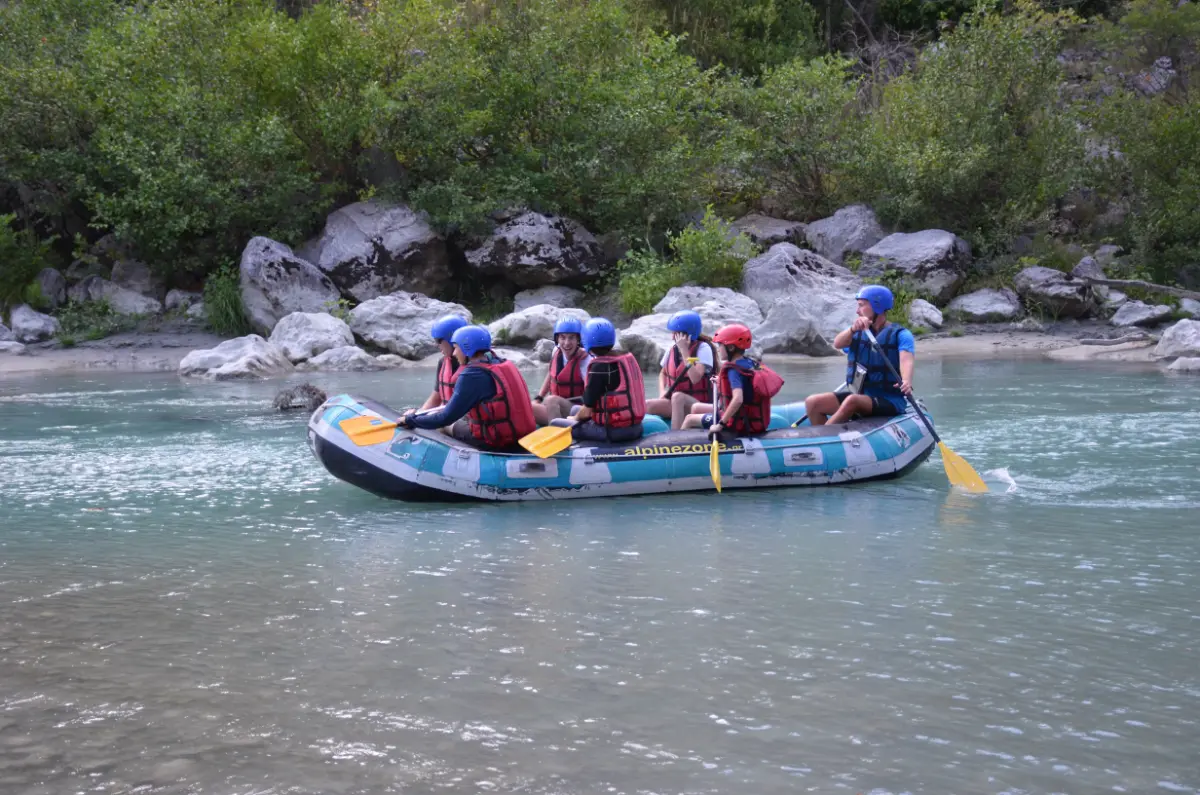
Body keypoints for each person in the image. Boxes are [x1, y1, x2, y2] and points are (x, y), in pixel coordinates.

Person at [400, 325, 537, 450]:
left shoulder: (472, 375)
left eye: (456, 347)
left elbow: (445, 418)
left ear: (467, 348)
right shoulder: (501, 364)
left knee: (444, 425)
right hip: (518, 435)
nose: (454, 353)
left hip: (495, 441)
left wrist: (410, 420)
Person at [803, 284, 915, 426]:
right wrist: (852, 329)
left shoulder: (902, 334)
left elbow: (906, 360)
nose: (857, 311)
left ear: (877, 306)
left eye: (861, 305)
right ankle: (831, 440)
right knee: (813, 402)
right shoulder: (857, 332)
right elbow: (837, 344)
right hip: (861, 396)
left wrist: (906, 381)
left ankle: (820, 437)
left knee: (852, 401)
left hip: (889, 400)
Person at [682, 324, 784, 436]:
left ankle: (679, 448)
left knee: (689, 419)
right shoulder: (751, 364)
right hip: (752, 421)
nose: (718, 349)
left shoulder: (733, 371)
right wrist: (720, 381)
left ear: (730, 348)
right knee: (696, 409)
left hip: (738, 423)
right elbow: (746, 385)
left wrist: (720, 424)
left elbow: (738, 399)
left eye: (720, 345)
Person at [556, 317, 646, 443]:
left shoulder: (599, 367)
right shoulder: (625, 356)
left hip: (614, 432)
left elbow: (587, 412)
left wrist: (574, 419)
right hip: (636, 426)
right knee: (574, 409)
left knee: (556, 423)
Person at [644, 310, 717, 429]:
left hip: (697, 404)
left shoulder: (703, 349)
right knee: (648, 405)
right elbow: (663, 373)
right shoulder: (672, 349)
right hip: (675, 403)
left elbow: (695, 378)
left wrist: (684, 351)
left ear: (687, 334)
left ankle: (676, 437)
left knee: (678, 396)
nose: (673, 336)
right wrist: (662, 392)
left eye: (676, 333)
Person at [531, 316, 591, 426]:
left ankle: (557, 436)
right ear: (557, 339)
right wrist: (539, 398)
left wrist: (578, 416)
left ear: (578, 339)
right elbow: (551, 374)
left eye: (571, 338)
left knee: (551, 400)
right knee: (529, 407)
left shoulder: (586, 361)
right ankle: (554, 427)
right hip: (556, 409)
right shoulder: (556, 351)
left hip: (578, 412)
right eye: (563, 338)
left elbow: (591, 394)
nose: (566, 343)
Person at [418, 314, 469, 412]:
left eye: (439, 341)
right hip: (449, 416)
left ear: (452, 340)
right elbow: (436, 398)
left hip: (466, 422)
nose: (437, 345)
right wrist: (418, 413)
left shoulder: (475, 367)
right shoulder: (443, 362)